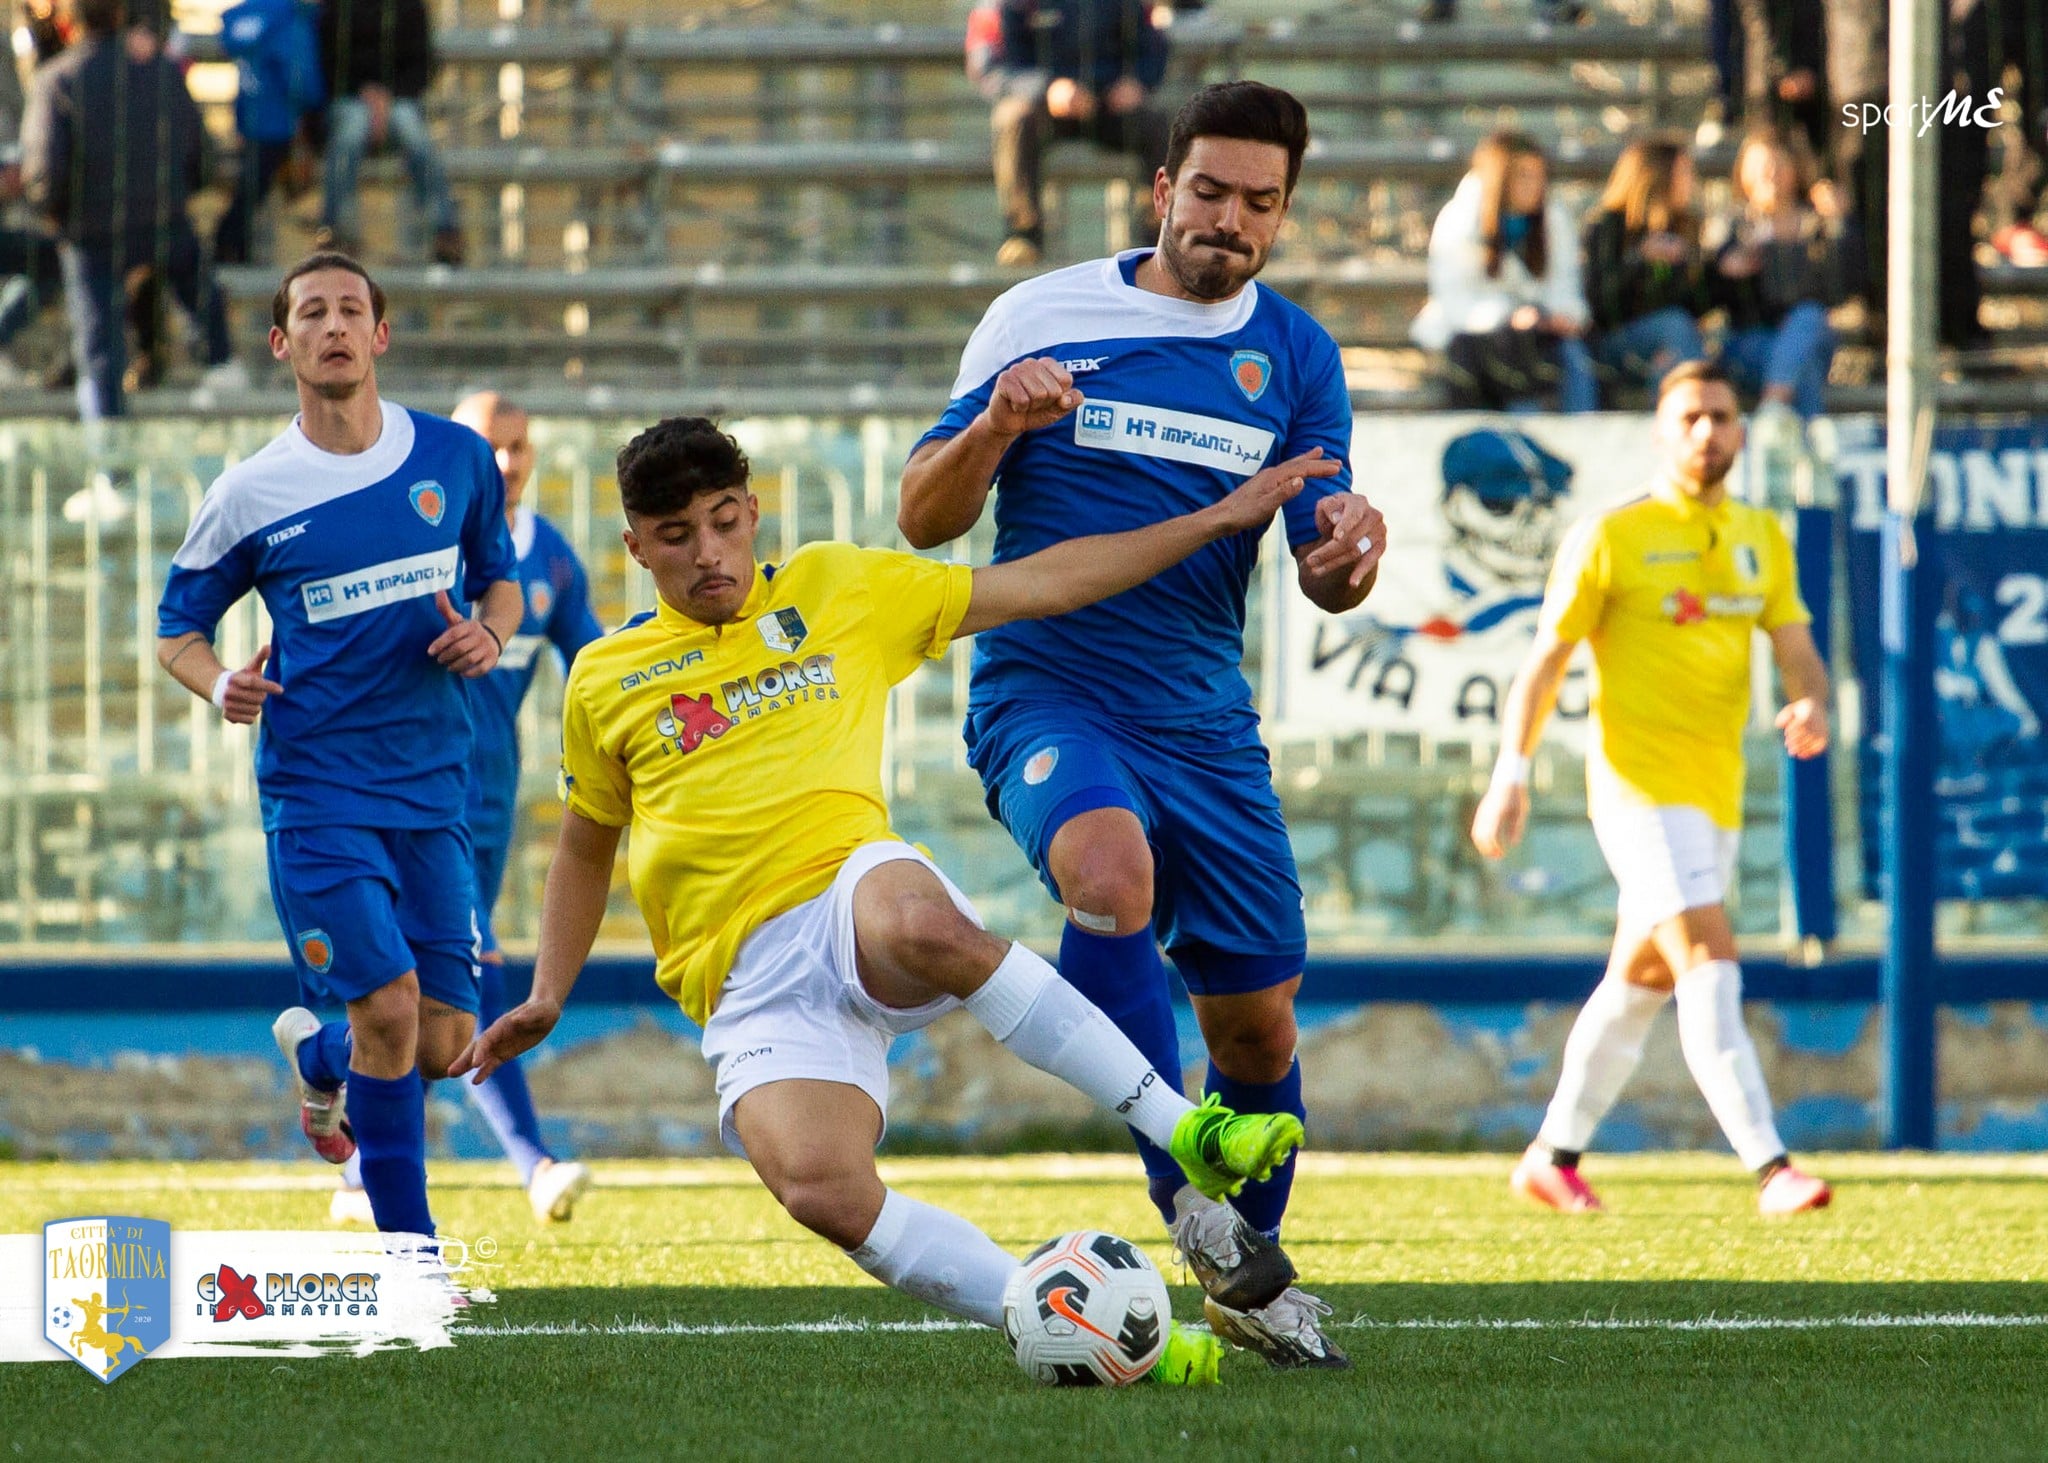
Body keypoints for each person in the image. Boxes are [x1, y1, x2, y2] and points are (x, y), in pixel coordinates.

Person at [452, 415, 1327, 1385]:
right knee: (820, 1189)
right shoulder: (605, 676)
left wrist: (1218, 519)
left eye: (722, 520)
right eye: (674, 535)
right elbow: (585, 842)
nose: (706, 552)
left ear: (751, 514)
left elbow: (1045, 580)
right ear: (634, 546)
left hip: (849, 885)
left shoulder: (839, 586)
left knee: (913, 917)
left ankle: (1185, 1127)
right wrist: (546, 990)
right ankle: (1065, 1319)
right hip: (744, 975)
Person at [898, 81, 1384, 1370]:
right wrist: (1001, 420)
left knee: (1260, 1031)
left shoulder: (1294, 355)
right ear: (1160, 189)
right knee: (1108, 875)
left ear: (1283, 213)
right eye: (1209, 191)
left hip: (1204, 717)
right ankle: (1187, 1195)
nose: (1229, 219)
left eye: (1258, 202)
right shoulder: (1038, 313)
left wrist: (1350, 549)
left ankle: (1246, 1277)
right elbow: (920, 518)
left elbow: (1317, 554)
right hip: (1045, 687)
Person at [155, 251, 523, 1242]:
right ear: (282, 343)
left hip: (434, 785)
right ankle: (413, 1256)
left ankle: (320, 1058)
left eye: (350, 309)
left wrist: (489, 630)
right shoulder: (250, 490)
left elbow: (501, 580)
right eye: (311, 312)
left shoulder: (454, 457)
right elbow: (175, 629)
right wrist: (221, 680)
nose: (333, 326)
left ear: (379, 335)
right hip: (317, 789)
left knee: (445, 1041)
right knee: (393, 1011)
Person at [1470, 360, 1834, 1218]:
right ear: (1662, 435)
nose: (1709, 431)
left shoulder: (1761, 534)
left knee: (1639, 983)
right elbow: (1544, 662)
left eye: (1723, 415)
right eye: (1692, 418)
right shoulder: (1612, 535)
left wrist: (1812, 697)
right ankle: (1772, 1166)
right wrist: (1509, 776)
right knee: (1708, 958)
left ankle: (1550, 1155)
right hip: (1637, 789)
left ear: (1743, 431)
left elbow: (1795, 644)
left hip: (1716, 793)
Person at [331, 392, 602, 1229]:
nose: (509, 462)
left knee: (424, 994)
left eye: (520, 447)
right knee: (470, 979)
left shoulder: (548, 559)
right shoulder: (422, 544)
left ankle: (358, 1169)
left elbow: (594, 656)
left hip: (491, 808)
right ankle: (535, 1163)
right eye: (493, 445)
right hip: (413, 800)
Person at [18, 0, 243, 421]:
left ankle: (111, 468)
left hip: (92, 236)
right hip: (165, 222)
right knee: (201, 301)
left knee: (100, 356)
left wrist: (59, 218)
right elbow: (201, 154)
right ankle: (221, 362)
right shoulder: (158, 70)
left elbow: (44, 174)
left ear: (69, 22)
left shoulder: (59, 80)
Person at [1411, 131, 1597, 413]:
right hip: (1477, 341)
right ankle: (1524, 440)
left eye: (1539, 175)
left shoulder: (1554, 220)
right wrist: (1510, 317)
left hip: (1538, 334)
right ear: (1501, 177)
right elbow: (1454, 299)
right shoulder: (1460, 220)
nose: (1534, 185)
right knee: (1515, 361)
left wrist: (1559, 315)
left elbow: (1564, 285)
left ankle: (1584, 436)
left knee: (1575, 357)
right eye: (1523, 175)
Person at [982, 0, 1172, 267]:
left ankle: (1159, 240)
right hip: (1043, 110)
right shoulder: (1008, 5)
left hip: (1109, 105)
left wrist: (1138, 82)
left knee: (1158, 124)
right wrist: (1047, 89)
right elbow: (991, 67)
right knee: (1012, 118)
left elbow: (1153, 47)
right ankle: (1023, 236)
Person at [1711, 128, 1843, 424]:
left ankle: (1772, 406)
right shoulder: (1732, 225)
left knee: (1808, 317)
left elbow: (1840, 289)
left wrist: (1839, 226)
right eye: (1760, 167)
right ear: (1743, 173)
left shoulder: (1819, 224)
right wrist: (1732, 264)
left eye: (1778, 166)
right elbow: (1715, 294)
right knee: (1800, 368)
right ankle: (1810, 448)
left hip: (1810, 334)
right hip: (1750, 339)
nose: (1769, 175)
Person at [316, 0, 462, 264]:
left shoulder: (410, 7)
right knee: (349, 136)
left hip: (399, 98)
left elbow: (422, 64)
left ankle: (445, 229)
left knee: (416, 137)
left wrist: (387, 96)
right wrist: (367, 94)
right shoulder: (334, 8)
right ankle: (338, 232)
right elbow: (325, 62)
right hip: (349, 98)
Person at [1582, 136, 1711, 399]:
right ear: (1658, 176)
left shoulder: (1686, 226)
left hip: (1670, 343)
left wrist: (1695, 268)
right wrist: (1638, 260)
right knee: (1674, 327)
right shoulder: (1607, 225)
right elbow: (1602, 306)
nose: (1691, 182)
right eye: (1684, 172)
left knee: (1671, 352)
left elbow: (1696, 307)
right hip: (1611, 344)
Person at [213, 0, 325, 266]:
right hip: (281, 118)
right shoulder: (289, 18)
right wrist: (311, 109)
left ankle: (235, 247)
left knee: (253, 186)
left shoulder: (247, 17)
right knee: (254, 189)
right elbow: (299, 75)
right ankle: (227, 244)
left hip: (250, 113)